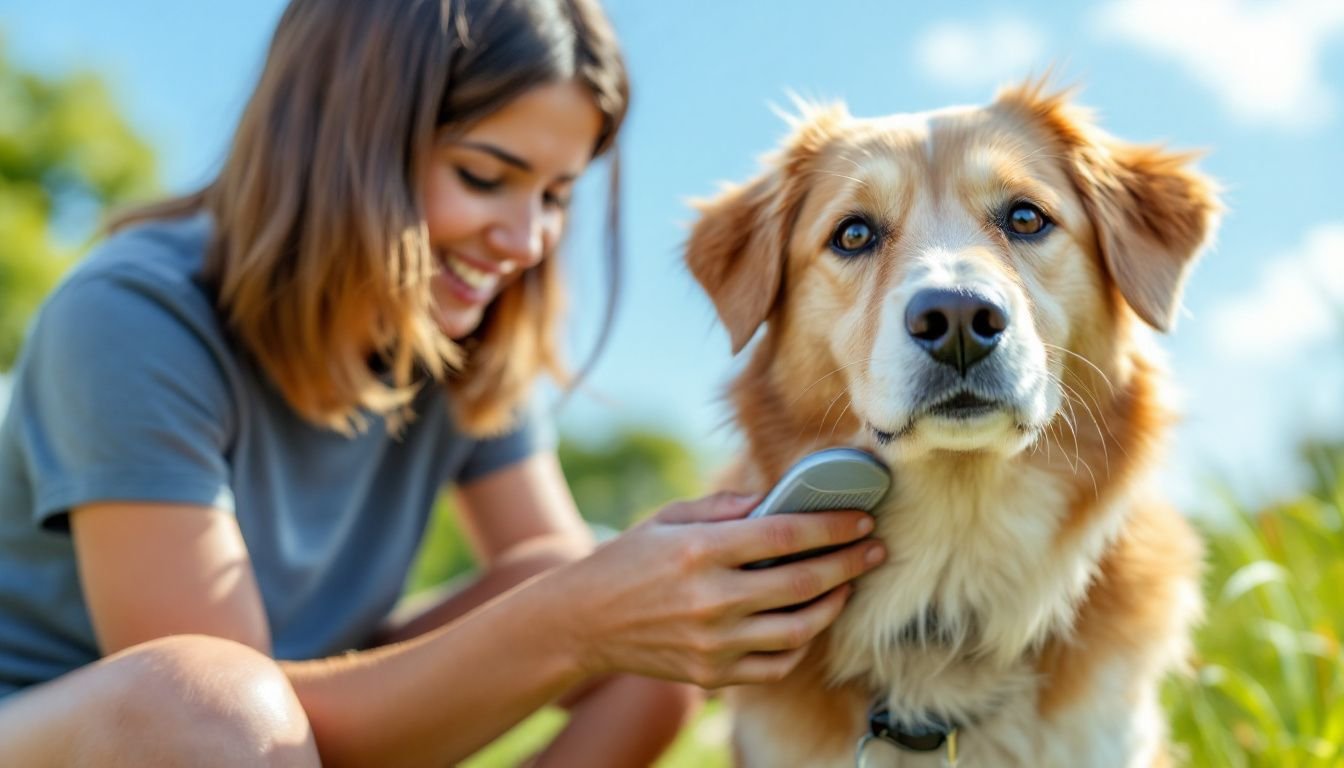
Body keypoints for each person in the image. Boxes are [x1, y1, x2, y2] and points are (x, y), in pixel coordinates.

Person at [0, 0, 887, 764]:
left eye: (554, 195)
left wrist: (623, 604)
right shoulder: (133, 316)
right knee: (213, 702)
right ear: (339, 145)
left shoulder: (457, 329)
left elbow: (569, 586)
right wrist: (577, 621)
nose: (525, 237)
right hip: (95, 736)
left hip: (256, 723)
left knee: (630, 626)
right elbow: (204, 724)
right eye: (484, 177)